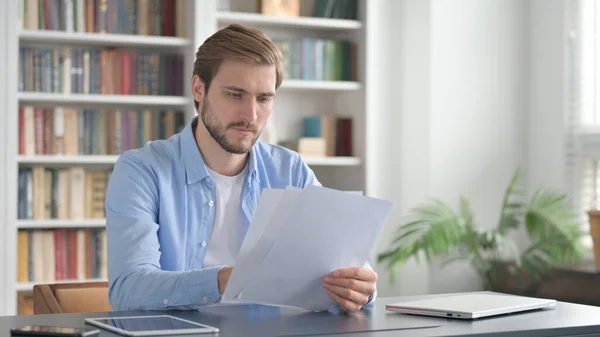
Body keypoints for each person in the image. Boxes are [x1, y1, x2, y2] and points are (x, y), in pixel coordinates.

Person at [105, 24, 378, 313]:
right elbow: (129, 288)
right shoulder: (142, 171)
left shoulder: (290, 169)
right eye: (235, 94)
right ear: (199, 89)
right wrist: (229, 279)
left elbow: (345, 262)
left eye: (264, 98)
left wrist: (359, 288)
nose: (251, 115)